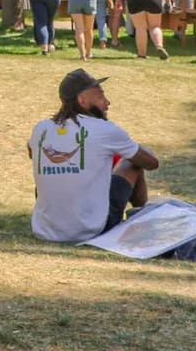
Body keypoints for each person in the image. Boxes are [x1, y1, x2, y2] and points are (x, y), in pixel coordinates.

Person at [27, 68, 160, 242]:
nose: (107, 102)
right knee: (133, 162)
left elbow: (32, 152)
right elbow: (151, 163)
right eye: (100, 97)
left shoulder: (41, 128)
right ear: (82, 101)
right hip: (93, 229)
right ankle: (142, 217)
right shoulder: (104, 130)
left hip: (45, 231)